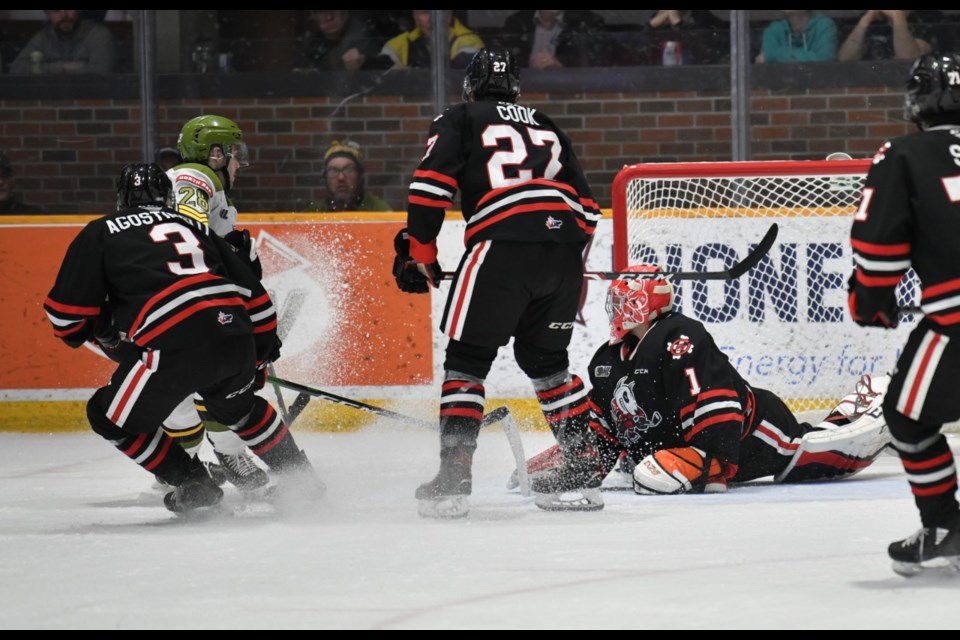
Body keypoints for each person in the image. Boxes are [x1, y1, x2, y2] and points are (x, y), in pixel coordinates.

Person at [42, 163, 324, 515]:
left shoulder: (100, 232)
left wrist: (102, 330)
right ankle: (302, 481)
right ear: (168, 197)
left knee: (107, 415)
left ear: (121, 198)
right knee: (241, 409)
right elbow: (258, 302)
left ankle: (194, 482)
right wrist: (259, 358)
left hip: (172, 345)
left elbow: (66, 318)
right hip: (234, 337)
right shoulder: (195, 226)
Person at [392, 48, 603, 518]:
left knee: (467, 359)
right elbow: (589, 210)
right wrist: (555, 249)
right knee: (547, 360)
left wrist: (419, 252)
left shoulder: (460, 117)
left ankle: (454, 474)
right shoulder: (546, 123)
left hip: (500, 247)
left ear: (470, 85)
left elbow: (429, 187)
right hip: (564, 251)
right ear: (516, 89)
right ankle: (584, 461)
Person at [520, 264, 892, 512]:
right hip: (682, 445)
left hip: (754, 435)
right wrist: (583, 462)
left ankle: (879, 410)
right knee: (648, 472)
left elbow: (713, 400)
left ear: (644, 304)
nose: (615, 307)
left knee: (807, 454)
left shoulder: (680, 336)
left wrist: (711, 461)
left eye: (624, 300)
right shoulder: (607, 358)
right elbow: (607, 424)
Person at [848, 52, 960, 576]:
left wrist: (871, 303)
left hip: (956, 321)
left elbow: (878, 249)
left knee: (906, 417)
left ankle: (943, 526)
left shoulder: (905, 153)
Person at [162, 114, 270, 491]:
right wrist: (230, 253)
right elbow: (189, 229)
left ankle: (184, 466)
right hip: (183, 301)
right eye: (234, 153)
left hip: (175, 301)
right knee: (212, 380)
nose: (240, 162)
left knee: (181, 389)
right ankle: (225, 455)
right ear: (214, 154)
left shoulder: (205, 184)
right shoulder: (194, 176)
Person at [9, 10, 117, 75]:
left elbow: (101, 72)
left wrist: (43, 68)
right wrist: (64, 67)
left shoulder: (99, 34)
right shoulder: (45, 36)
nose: (64, 15)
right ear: (48, 15)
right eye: (56, 11)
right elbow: (17, 68)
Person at [499, 10, 618, 69]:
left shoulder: (588, 23)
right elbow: (501, 65)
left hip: (571, 97)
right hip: (525, 96)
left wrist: (561, 65)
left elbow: (602, 65)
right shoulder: (516, 23)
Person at [371, 10, 484, 70]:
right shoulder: (400, 43)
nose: (432, 19)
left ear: (449, 15)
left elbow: (457, 77)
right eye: (425, 12)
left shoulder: (470, 41)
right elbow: (377, 72)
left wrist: (408, 75)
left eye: (437, 12)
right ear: (415, 18)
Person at [300, 140, 393, 212]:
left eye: (349, 170)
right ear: (325, 177)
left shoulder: (379, 211)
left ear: (359, 175)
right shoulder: (313, 214)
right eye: (333, 171)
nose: (341, 177)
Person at [295, 10, 384, 71]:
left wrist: (365, 63)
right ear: (313, 15)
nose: (328, 17)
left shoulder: (366, 36)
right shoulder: (314, 44)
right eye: (320, 11)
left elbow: (385, 73)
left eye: (333, 10)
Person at [837, 10, 941, 62]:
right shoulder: (864, 19)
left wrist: (897, 16)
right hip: (868, 89)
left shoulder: (928, 18)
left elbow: (907, 58)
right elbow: (845, 59)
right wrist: (864, 21)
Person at [642, 10, 730, 66]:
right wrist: (652, 24)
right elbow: (644, 43)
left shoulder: (700, 15)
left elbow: (693, 42)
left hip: (695, 66)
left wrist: (677, 23)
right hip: (663, 69)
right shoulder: (660, 16)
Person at [755, 11, 837, 64]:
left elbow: (825, 62)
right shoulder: (774, 30)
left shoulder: (824, 26)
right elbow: (765, 65)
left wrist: (779, 54)